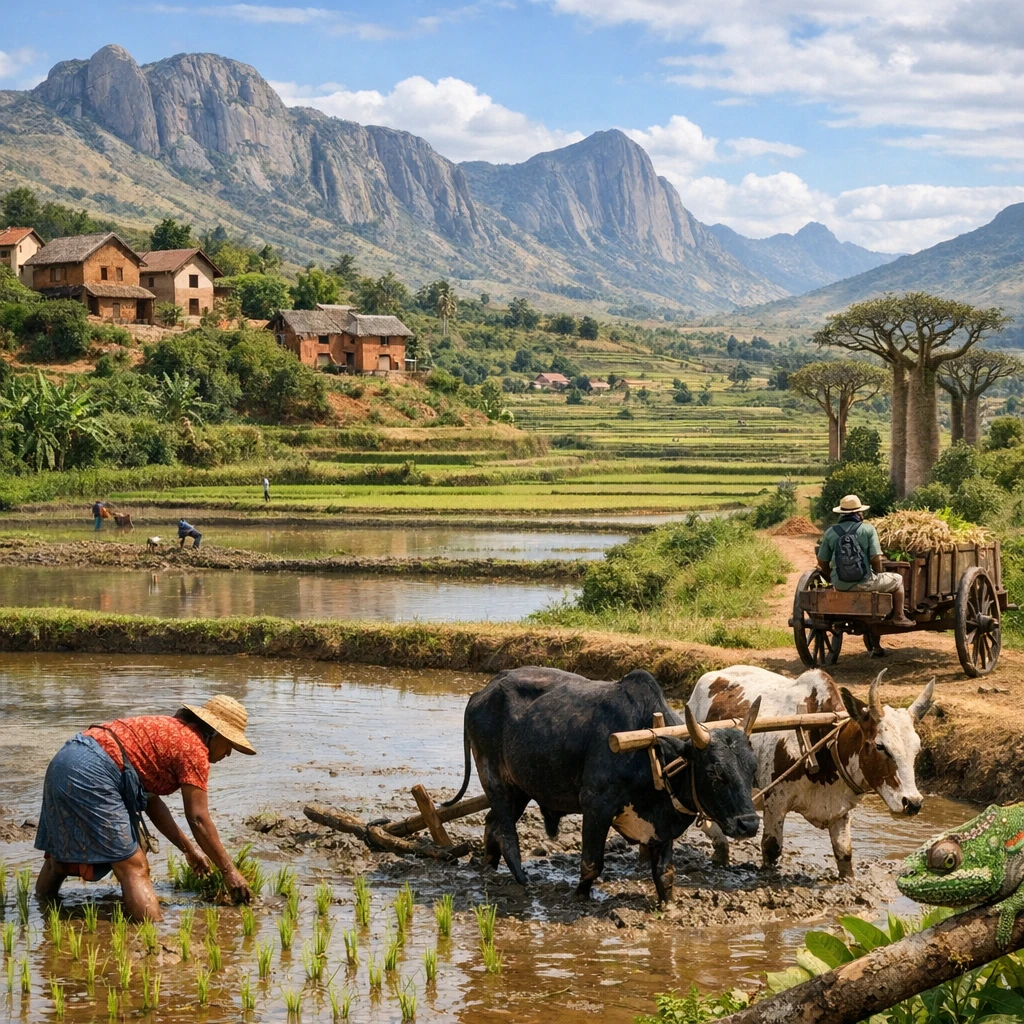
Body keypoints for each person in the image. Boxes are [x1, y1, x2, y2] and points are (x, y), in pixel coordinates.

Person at [34, 695, 256, 921]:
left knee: (57, 855)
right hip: (95, 772)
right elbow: (198, 818)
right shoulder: (195, 748)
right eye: (229, 745)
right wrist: (230, 872)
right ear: (214, 733)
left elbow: (152, 803)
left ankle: (40, 909)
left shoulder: (172, 730)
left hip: (66, 760)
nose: (228, 753)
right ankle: (152, 938)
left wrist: (189, 850)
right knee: (134, 867)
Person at [816, 494, 916, 632]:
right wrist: (878, 574)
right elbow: (875, 558)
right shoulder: (868, 529)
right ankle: (899, 616)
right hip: (864, 583)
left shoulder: (830, 532)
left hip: (839, 584)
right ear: (858, 513)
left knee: (874, 580)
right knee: (898, 580)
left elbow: (822, 561)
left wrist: (831, 579)